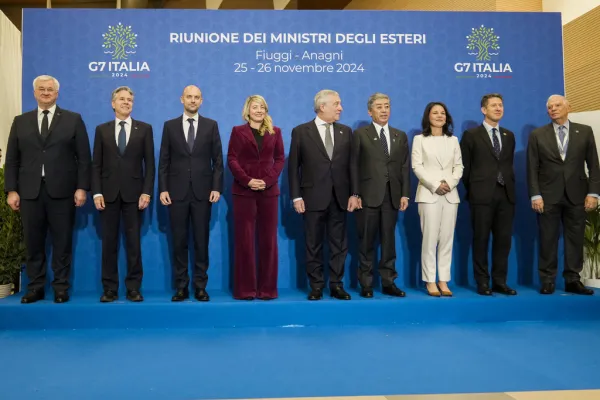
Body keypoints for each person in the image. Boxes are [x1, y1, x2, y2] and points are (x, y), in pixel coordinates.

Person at [4, 75, 91, 304]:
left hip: (63, 192)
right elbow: (12, 159)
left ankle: (61, 287)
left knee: (62, 243)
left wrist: (82, 188)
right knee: (33, 243)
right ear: (34, 93)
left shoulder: (73, 120)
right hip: (29, 193)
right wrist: (11, 190)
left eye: (49, 89)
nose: (45, 93)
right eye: (41, 89)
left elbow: (84, 158)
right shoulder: (20, 121)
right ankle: (35, 287)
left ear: (57, 93)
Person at [288, 89, 359, 300]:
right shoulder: (301, 131)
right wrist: (296, 196)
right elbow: (293, 168)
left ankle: (336, 285)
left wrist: (354, 193)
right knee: (313, 244)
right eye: (336, 104)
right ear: (322, 107)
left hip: (340, 198)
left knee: (339, 245)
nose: (340, 108)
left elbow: (352, 166)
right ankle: (316, 286)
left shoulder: (346, 131)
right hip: (312, 198)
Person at [527, 94, 599, 295]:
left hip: (577, 194)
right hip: (547, 196)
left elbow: (593, 164)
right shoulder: (537, 134)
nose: (553, 109)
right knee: (547, 239)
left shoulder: (584, 131)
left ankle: (573, 280)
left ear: (569, 107)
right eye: (549, 107)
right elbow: (532, 168)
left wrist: (593, 193)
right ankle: (548, 280)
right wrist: (535, 195)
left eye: (557, 105)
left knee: (575, 239)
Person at [158, 85, 223, 302]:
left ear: (201, 101)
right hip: (176, 193)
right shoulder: (169, 126)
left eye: (196, 97)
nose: (193, 100)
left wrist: (216, 187)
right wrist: (163, 188)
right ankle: (181, 287)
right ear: (182, 99)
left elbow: (218, 161)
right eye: (189, 97)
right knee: (179, 241)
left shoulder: (211, 125)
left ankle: (200, 286)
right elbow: (164, 161)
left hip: (203, 193)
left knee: (201, 242)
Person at [91, 86, 155, 303]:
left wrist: (147, 192)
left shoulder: (144, 129)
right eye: (121, 99)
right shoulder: (102, 130)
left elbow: (151, 165)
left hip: (135, 196)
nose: (126, 102)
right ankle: (109, 289)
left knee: (133, 244)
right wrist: (96, 192)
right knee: (109, 244)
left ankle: (133, 288)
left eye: (129, 100)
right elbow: (96, 165)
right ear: (113, 103)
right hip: (107, 196)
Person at [350, 93, 410, 298]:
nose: (384, 110)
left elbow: (404, 167)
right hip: (367, 196)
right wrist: (355, 193)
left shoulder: (399, 135)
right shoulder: (360, 134)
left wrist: (404, 194)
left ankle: (388, 282)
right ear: (370, 111)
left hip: (392, 196)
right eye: (379, 107)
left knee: (388, 242)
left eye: (387, 106)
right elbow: (354, 166)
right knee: (366, 241)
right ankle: (366, 284)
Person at [227, 95, 284, 300]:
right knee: (245, 241)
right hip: (244, 192)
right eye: (255, 107)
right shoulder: (237, 131)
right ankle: (245, 290)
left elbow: (279, 159)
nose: (259, 110)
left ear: (266, 110)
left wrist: (267, 181)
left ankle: (267, 289)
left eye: (262, 107)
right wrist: (248, 180)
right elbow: (232, 159)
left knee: (268, 241)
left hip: (269, 193)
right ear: (247, 110)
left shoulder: (275, 132)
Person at [460, 93, 517, 296]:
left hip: (506, 195)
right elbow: (464, 168)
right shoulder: (471, 135)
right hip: (481, 195)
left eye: (500, 105)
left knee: (503, 241)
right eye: (493, 105)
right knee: (481, 239)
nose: (498, 108)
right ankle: (482, 282)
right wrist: (475, 188)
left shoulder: (509, 135)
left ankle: (500, 281)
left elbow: (507, 165)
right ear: (483, 110)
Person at [412, 102, 463, 297]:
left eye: (443, 113)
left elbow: (459, 167)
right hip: (428, 194)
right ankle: (430, 281)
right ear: (428, 117)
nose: (439, 116)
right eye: (435, 113)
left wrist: (449, 183)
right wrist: (435, 185)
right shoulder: (419, 139)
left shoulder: (453, 140)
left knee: (446, 240)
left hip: (450, 195)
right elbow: (417, 167)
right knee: (430, 239)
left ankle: (444, 280)